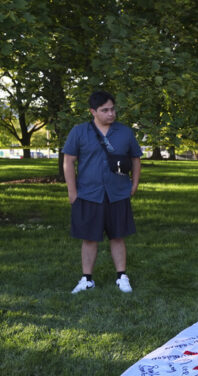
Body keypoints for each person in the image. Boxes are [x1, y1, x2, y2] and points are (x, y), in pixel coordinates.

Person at [64, 91, 142, 293]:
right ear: (93, 111)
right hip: (89, 193)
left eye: (112, 109)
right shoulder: (79, 132)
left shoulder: (125, 132)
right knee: (89, 238)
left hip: (118, 193)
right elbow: (68, 161)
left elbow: (135, 158)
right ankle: (87, 279)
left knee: (118, 236)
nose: (111, 114)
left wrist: (134, 184)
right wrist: (72, 192)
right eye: (105, 110)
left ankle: (122, 276)